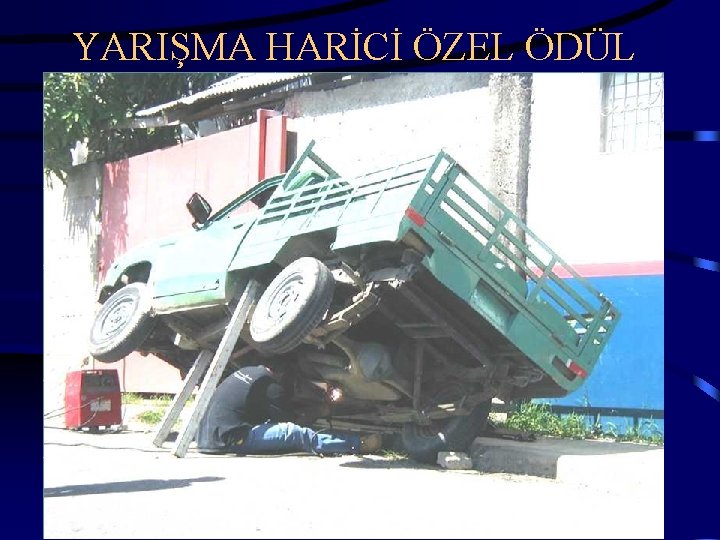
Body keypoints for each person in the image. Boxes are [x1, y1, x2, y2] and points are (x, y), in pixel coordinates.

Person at [196, 365, 381, 456]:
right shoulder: (270, 386)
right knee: (294, 433)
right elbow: (290, 422)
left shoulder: (248, 371)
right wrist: (317, 412)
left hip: (207, 438)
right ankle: (358, 444)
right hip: (231, 439)